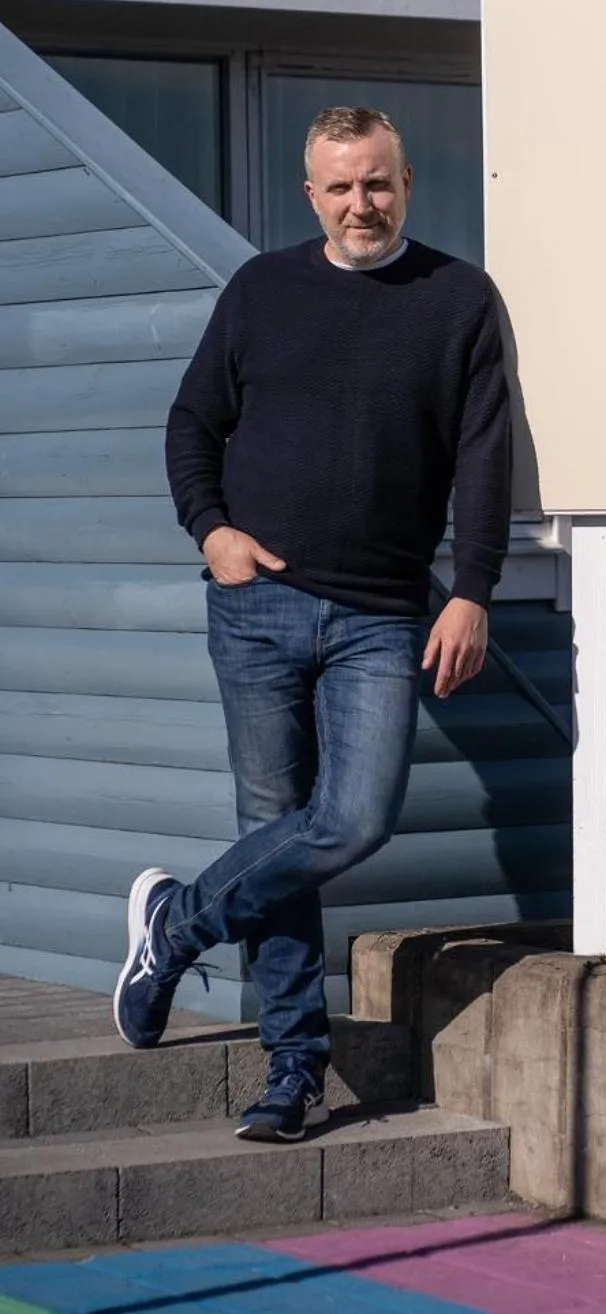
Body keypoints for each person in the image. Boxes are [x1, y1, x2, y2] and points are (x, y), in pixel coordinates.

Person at [113, 105, 511, 1142]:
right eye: (339, 186)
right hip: (256, 603)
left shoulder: (458, 298)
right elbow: (194, 421)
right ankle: (293, 1065)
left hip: (383, 613)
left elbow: (483, 453)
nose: (359, 203)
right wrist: (213, 533)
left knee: (350, 822)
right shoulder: (262, 289)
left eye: (376, 182)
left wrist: (472, 586)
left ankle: (176, 924)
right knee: (273, 825)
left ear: (407, 180)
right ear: (310, 193)